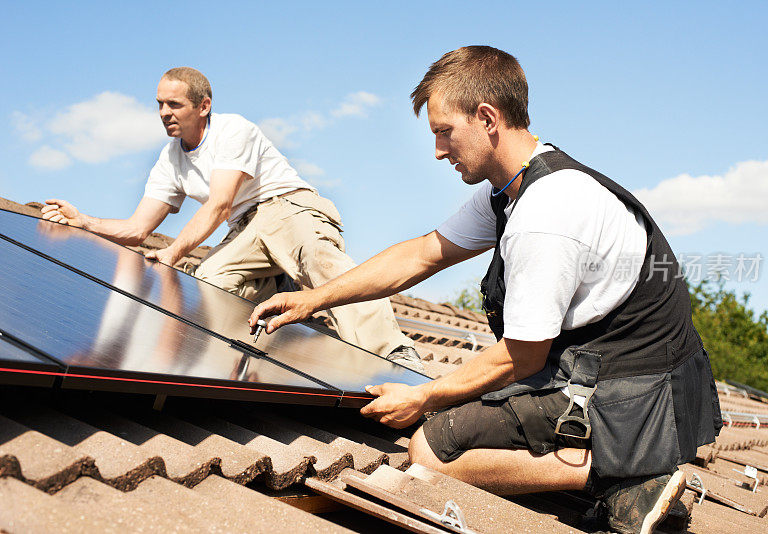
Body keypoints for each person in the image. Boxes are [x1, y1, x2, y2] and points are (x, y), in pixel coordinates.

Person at [249, 46, 722, 533]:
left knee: (430, 451)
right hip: (625, 373)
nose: (438, 151)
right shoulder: (515, 188)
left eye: (443, 131)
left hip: (631, 394)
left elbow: (523, 356)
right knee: (462, 402)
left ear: (487, 117)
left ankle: (616, 470)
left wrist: (425, 397)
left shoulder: (547, 213)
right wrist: (314, 298)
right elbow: (423, 254)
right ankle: (613, 461)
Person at [41, 67, 421, 370]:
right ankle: (277, 308)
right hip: (246, 229)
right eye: (159, 104)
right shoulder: (170, 159)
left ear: (203, 106)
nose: (163, 113)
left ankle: (394, 356)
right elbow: (138, 228)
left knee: (319, 260)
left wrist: (173, 251)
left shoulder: (233, 130)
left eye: (174, 105)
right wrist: (84, 222)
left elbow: (220, 203)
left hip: (286, 207)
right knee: (209, 282)